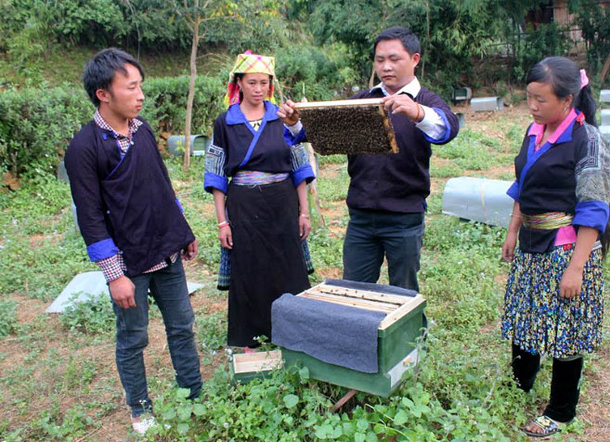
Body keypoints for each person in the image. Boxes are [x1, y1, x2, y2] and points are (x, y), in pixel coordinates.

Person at [65, 48, 202, 435]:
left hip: (166, 252)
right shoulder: (84, 149)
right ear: (103, 94)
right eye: (132, 87)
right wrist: (114, 275)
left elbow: (162, 186)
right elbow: (90, 218)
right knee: (133, 337)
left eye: (141, 86)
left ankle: (193, 394)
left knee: (182, 326)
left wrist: (183, 231)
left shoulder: (141, 132)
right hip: (128, 264)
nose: (140, 95)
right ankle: (140, 409)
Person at [279, 26, 459, 291]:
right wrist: (295, 123)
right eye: (379, 60)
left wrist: (418, 112)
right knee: (354, 289)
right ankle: (362, 333)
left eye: (394, 59)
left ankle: (408, 334)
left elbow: (447, 128)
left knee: (404, 291)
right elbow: (315, 132)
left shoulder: (425, 100)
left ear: (415, 60)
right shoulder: (363, 101)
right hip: (361, 217)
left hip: (404, 217)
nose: (386, 66)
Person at [501, 57, 610, 438]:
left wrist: (576, 267)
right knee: (525, 318)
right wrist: (513, 231)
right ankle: (518, 388)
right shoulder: (535, 131)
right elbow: (522, 185)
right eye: (529, 98)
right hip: (531, 244)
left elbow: (595, 209)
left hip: (566, 250)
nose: (532, 107)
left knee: (566, 331)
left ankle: (561, 411)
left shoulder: (587, 140)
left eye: (540, 100)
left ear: (568, 101)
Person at [204, 51, 315, 349]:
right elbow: (215, 174)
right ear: (238, 83)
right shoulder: (225, 122)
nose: (258, 89)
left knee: (287, 267)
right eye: (251, 82)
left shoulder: (283, 117)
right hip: (243, 206)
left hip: (282, 203)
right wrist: (222, 221)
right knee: (249, 270)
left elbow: (299, 166)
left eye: (264, 83)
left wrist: (303, 212)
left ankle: (293, 335)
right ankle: (250, 338)